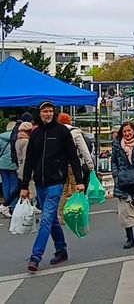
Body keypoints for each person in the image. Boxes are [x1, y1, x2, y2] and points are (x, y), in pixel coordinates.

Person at [20, 101, 85, 272]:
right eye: (44, 111)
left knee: (46, 219)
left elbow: (73, 157)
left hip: (56, 182)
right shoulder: (36, 133)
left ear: (54, 113)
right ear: (39, 114)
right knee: (53, 219)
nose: (48, 114)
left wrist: (79, 181)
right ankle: (61, 249)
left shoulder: (62, 131)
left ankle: (35, 257)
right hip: (40, 182)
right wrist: (24, 185)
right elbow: (29, 161)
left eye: (50, 111)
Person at [56, 113, 95, 224]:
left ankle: (61, 215)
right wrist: (90, 165)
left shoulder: (56, 131)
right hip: (73, 166)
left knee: (63, 192)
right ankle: (75, 213)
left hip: (60, 166)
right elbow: (84, 149)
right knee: (76, 190)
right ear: (70, 121)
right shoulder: (75, 132)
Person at [0, 124, 19, 218]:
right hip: (13, 164)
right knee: (14, 185)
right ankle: (12, 205)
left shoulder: (1, 137)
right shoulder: (16, 136)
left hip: (2, 164)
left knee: (5, 184)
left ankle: (5, 205)